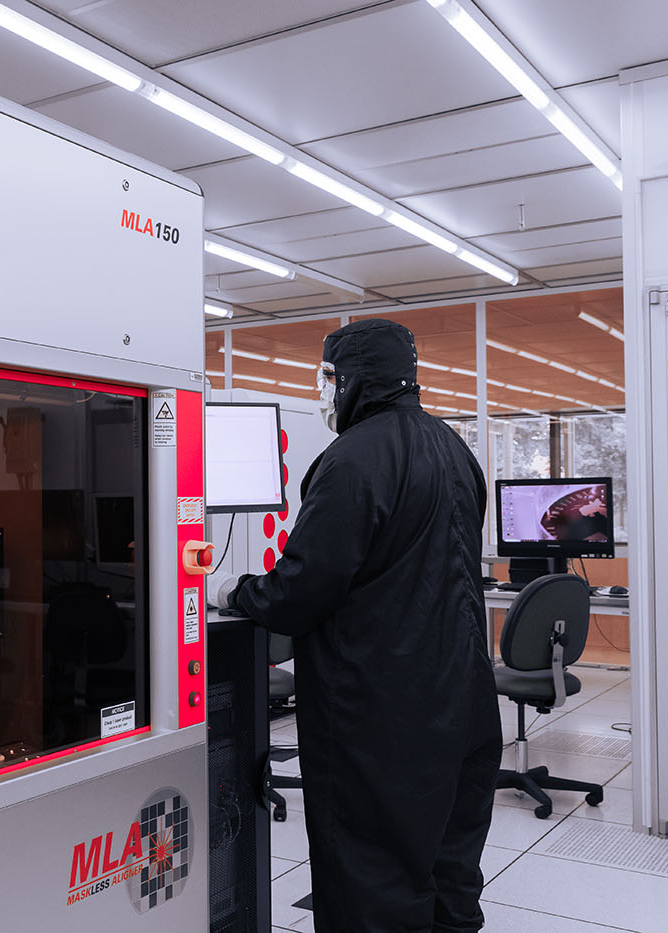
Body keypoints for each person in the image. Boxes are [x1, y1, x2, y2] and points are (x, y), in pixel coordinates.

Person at [231, 318, 501, 932]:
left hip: (382, 712)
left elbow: (302, 590)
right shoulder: (454, 449)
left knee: (371, 876)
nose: (322, 391)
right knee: (449, 868)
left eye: (327, 376)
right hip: (462, 696)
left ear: (353, 378)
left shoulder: (352, 459)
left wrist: (239, 591)